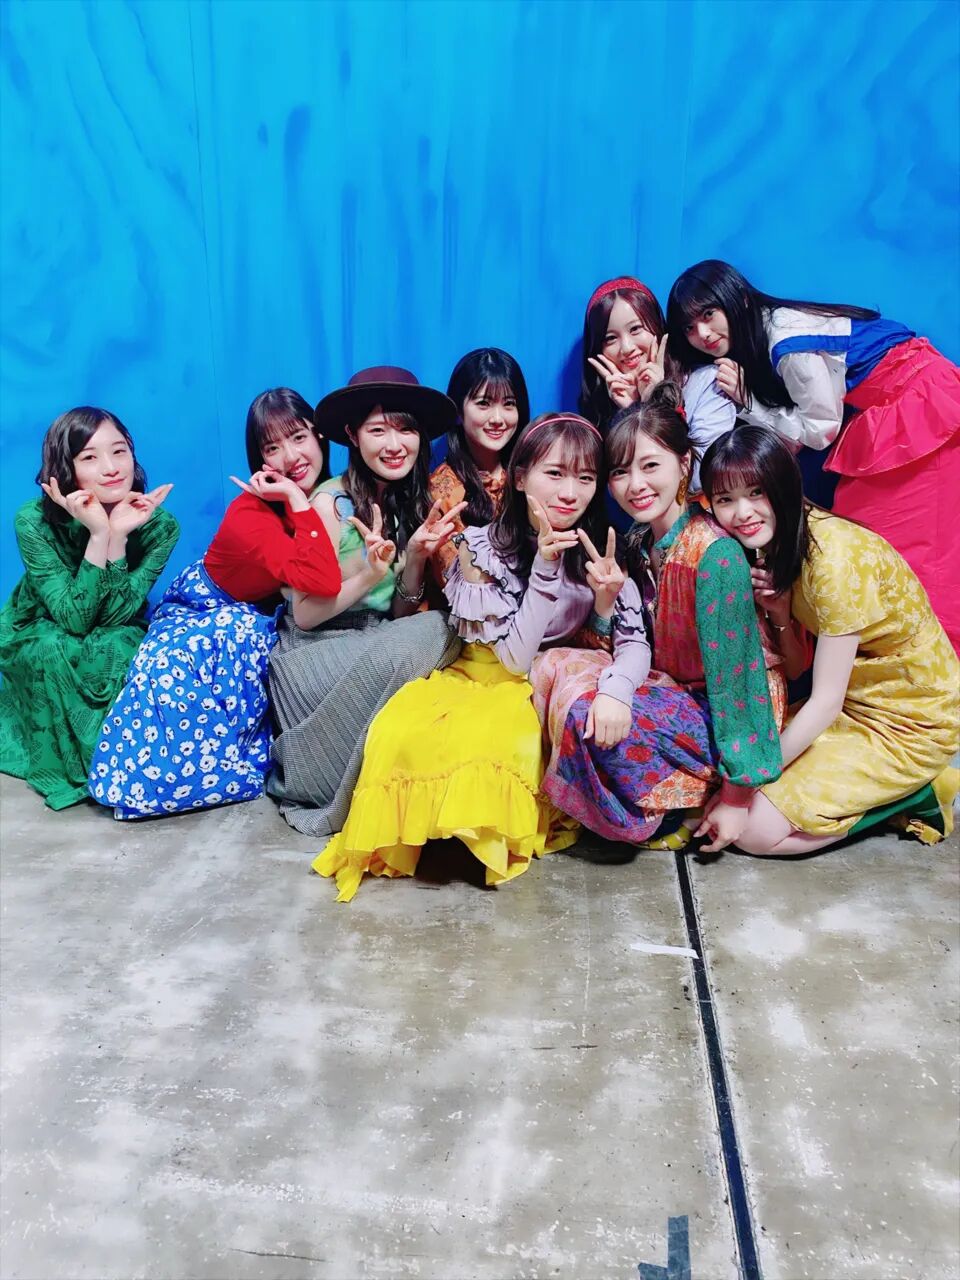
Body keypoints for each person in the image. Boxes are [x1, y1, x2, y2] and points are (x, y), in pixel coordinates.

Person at [313, 411, 651, 901]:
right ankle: (425, 834)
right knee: (401, 733)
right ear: (520, 478)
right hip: (474, 673)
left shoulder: (601, 553)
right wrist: (545, 567)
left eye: (585, 478)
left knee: (498, 745)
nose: (569, 493)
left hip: (535, 687)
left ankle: (472, 837)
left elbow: (633, 642)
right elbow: (509, 657)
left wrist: (617, 689)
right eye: (555, 474)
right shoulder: (479, 549)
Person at [532, 386, 786, 853]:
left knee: (587, 715)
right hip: (676, 689)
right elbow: (619, 643)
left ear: (684, 464)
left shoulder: (716, 555)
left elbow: (738, 684)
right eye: (620, 472)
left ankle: (676, 806)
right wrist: (605, 603)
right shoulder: (637, 542)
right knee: (556, 668)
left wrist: (738, 797)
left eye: (650, 466)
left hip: (732, 712)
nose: (635, 485)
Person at [666, 258, 960, 651]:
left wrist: (748, 401)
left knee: (917, 550)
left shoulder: (785, 340)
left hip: (920, 408)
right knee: (873, 540)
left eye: (708, 314)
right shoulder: (758, 341)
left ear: (738, 298)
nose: (702, 333)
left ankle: (937, 666)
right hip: (893, 409)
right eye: (688, 327)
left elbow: (820, 430)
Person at [700, 425, 960, 855]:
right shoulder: (776, 542)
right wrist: (780, 614)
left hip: (911, 721)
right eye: (725, 499)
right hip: (851, 705)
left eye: (756, 492)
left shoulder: (834, 559)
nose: (742, 512)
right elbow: (799, 669)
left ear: (784, 485)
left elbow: (824, 703)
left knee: (753, 832)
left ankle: (917, 795)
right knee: (722, 771)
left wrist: (740, 794)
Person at [89, 388, 339, 818]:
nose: (290, 457)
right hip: (201, 605)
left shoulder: (333, 493)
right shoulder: (250, 513)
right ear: (260, 460)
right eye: (272, 448)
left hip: (255, 606)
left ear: (320, 437)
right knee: (198, 654)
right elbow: (323, 581)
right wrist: (298, 501)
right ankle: (169, 779)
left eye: (299, 438)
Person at [266, 367, 465, 837]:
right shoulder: (330, 504)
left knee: (442, 633)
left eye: (406, 429)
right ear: (353, 436)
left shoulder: (404, 501)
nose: (394, 444)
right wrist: (369, 574)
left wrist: (415, 556)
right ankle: (323, 767)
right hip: (312, 655)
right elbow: (304, 615)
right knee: (439, 627)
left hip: (369, 639)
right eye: (378, 430)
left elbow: (396, 613)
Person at [0, 406, 177, 809]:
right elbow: (73, 618)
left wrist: (118, 535)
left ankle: (118, 765)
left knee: (119, 645)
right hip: (39, 624)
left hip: (117, 623)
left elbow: (117, 616)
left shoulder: (160, 526)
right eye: (90, 457)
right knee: (54, 647)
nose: (111, 468)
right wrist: (98, 534)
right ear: (67, 468)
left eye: (119, 451)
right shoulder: (33, 521)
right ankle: (84, 768)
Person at [578, 275, 735, 486]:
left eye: (635, 329)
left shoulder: (707, 383)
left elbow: (703, 478)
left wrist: (654, 405)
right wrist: (631, 412)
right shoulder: (604, 408)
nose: (627, 348)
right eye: (610, 338)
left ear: (657, 327)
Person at [426, 347, 529, 602]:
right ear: (458, 412)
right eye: (484, 403)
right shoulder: (442, 490)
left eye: (509, 404)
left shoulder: (532, 474)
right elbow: (458, 587)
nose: (498, 418)